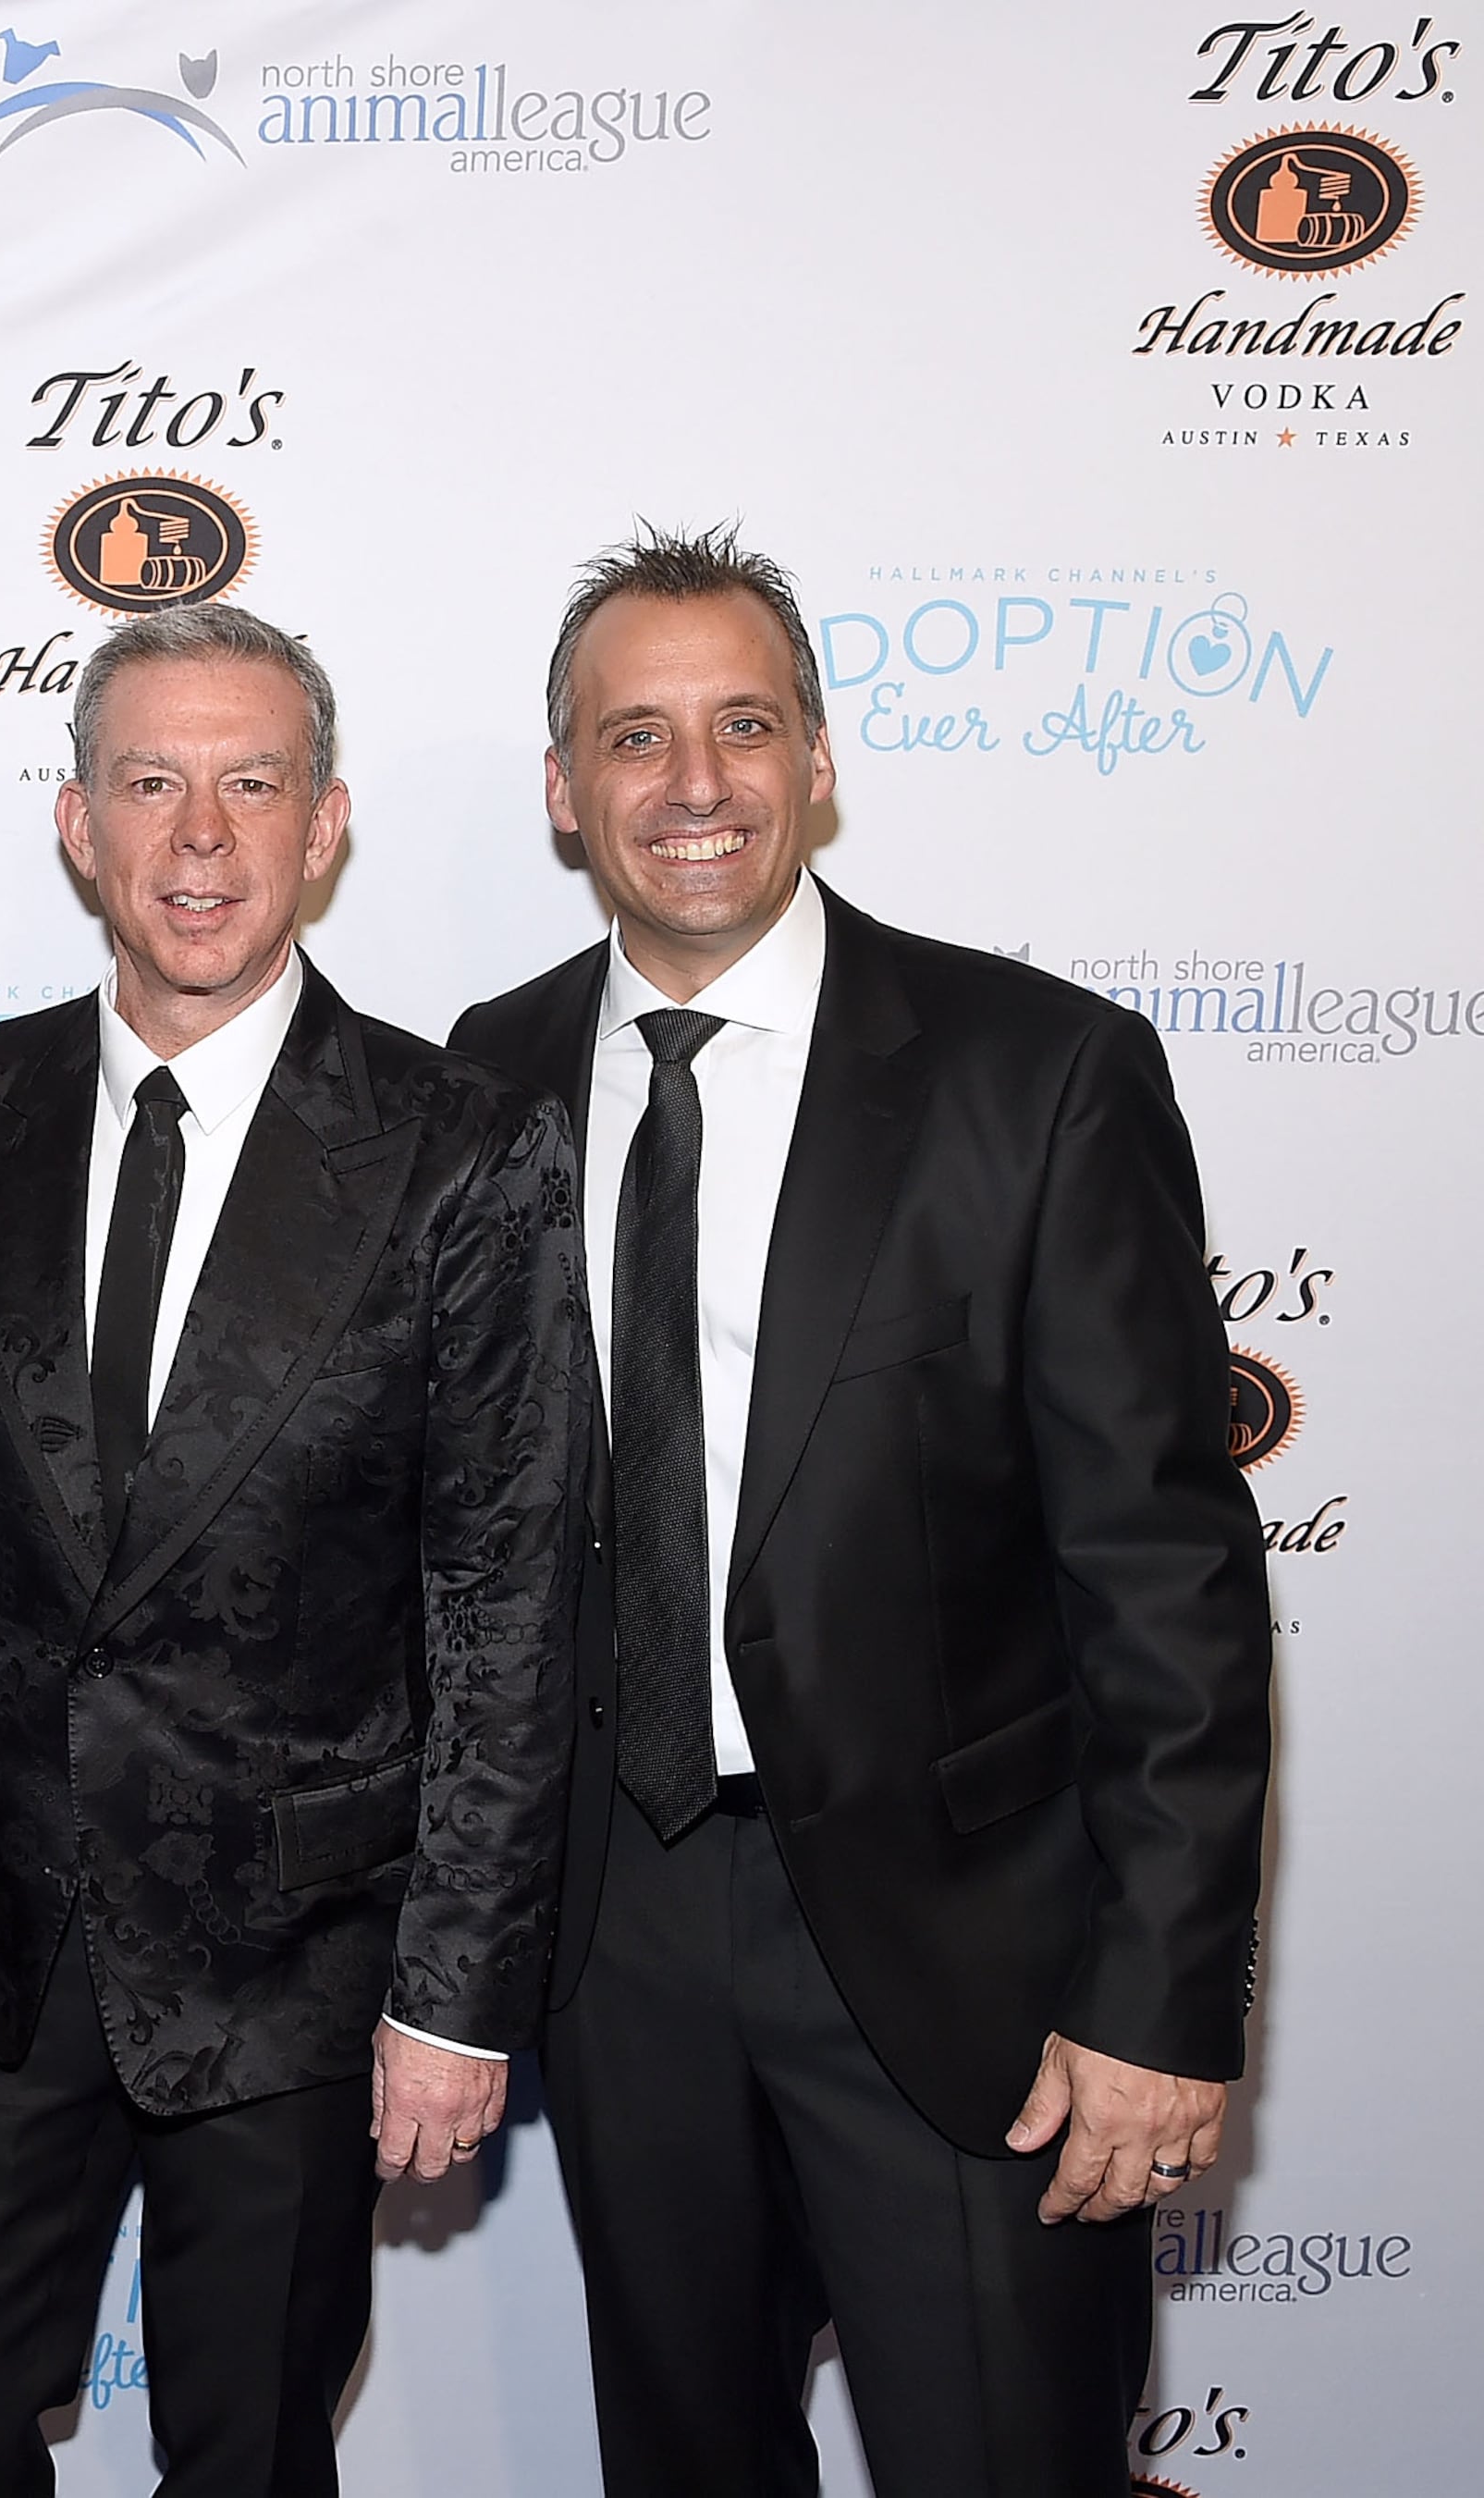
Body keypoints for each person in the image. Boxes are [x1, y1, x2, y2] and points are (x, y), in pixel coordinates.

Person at [448, 525, 1273, 2497]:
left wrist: (1161, 2001)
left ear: (821, 760)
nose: (696, 782)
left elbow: (1163, 1571)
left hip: (967, 1944)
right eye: (633, 737)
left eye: (744, 723)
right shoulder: (485, 1078)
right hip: (615, 1930)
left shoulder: (1040, 1072)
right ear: (565, 794)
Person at [0, 600, 586, 2498]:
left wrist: (452, 1991)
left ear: (325, 823)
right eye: (153, 782)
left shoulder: (460, 1142)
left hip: (300, 1957)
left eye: (250, 783)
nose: (201, 836)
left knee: (253, 2457)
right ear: (76, 823)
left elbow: (508, 1596)